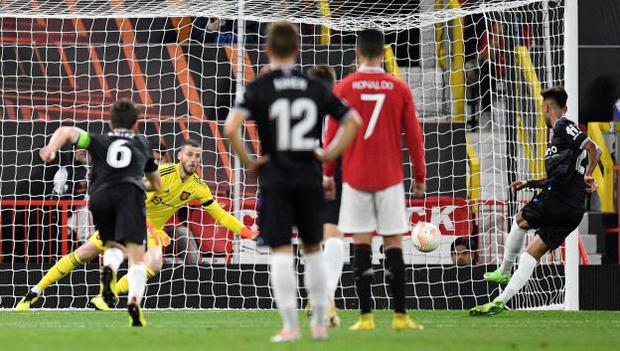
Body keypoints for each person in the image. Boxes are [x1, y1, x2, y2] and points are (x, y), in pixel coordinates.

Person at [225, 21, 361, 342]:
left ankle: (289, 326)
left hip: (275, 179)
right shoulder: (314, 86)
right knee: (313, 249)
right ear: (298, 50)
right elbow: (352, 121)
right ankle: (318, 324)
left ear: (267, 49)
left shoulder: (259, 86)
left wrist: (250, 162)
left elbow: (232, 127)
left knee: (282, 251)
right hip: (310, 177)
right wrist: (329, 155)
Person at [15, 139, 258, 312]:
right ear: (180, 156)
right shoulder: (161, 175)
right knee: (83, 254)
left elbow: (221, 215)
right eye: (189, 155)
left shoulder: (198, 187)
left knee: (154, 262)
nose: (193, 159)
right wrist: (152, 229)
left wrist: (247, 232)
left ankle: (103, 297)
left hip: (145, 229)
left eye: (197, 155)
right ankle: (33, 292)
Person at [323, 29, 426, 331]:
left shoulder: (344, 87)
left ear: (357, 52)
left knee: (360, 243)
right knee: (393, 242)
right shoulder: (399, 87)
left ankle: (365, 318)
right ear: (383, 53)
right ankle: (400, 316)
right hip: (390, 176)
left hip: (355, 176)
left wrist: (328, 174)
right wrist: (419, 176)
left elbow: (332, 135)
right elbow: (414, 136)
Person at [470, 86, 602, 316]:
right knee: (531, 254)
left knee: (520, 219)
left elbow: (595, 149)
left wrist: (589, 174)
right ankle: (500, 301)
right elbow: (558, 176)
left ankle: (503, 270)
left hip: (558, 199)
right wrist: (528, 183)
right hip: (573, 210)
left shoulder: (562, 124)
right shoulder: (560, 143)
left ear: (545, 108)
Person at [38, 99, 162, 326]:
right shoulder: (143, 144)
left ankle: (110, 268)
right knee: (136, 255)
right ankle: (134, 302)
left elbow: (67, 130)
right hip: (129, 195)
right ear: (136, 124)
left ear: (110, 122)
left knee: (112, 244)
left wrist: (51, 148)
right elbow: (156, 183)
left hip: (100, 196)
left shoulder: (99, 140)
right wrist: (140, 182)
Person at [303, 64, 345, 328]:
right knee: (334, 234)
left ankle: (315, 295)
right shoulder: (340, 107)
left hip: (302, 173)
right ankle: (325, 294)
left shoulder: (297, 107)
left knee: (311, 239)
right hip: (334, 172)